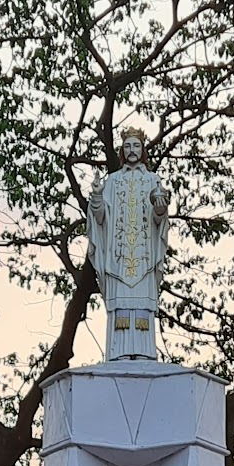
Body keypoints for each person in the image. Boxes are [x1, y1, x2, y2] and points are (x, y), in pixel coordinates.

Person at [86, 127, 170, 360]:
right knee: (120, 304)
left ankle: (144, 353)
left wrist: (161, 209)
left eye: (136, 146)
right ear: (122, 150)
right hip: (119, 258)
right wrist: (96, 197)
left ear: (142, 150)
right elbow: (100, 218)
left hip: (144, 257)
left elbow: (157, 219)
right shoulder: (112, 181)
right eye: (127, 146)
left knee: (143, 303)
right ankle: (118, 353)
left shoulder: (153, 180)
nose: (132, 151)